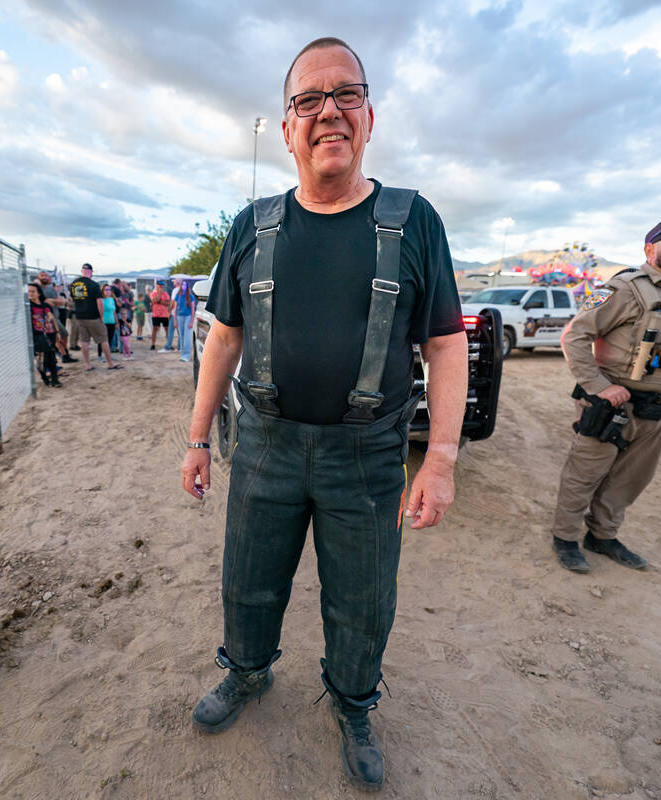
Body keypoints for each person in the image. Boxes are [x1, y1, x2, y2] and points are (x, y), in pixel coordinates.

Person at [180, 37, 468, 792]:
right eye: (308, 100)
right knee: (248, 579)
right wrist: (196, 437)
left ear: (369, 115)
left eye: (345, 95)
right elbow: (224, 340)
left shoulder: (413, 222)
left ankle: (354, 704)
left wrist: (439, 457)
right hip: (268, 446)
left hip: (367, 455)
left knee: (363, 599)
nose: (328, 112)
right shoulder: (253, 226)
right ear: (287, 129)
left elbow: (444, 344)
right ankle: (246, 673)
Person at [551, 216, 661, 573]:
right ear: (650, 249)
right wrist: (598, 387)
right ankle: (565, 538)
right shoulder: (624, 288)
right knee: (585, 473)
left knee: (631, 478)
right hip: (614, 406)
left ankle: (603, 536)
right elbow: (574, 337)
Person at [68, 263, 120, 371]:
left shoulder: (73, 284)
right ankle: (110, 363)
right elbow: (100, 302)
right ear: (91, 272)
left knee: (84, 341)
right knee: (103, 339)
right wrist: (101, 317)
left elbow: (72, 300)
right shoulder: (93, 285)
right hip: (93, 316)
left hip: (80, 316)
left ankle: (88, 364)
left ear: (82, 271)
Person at [27, 283, 61, 387]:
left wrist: (57, 332)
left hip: (50, 334)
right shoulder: (28, 306)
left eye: (33, 291)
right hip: (38, 335)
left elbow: (53, 319)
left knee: (52, 357)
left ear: (38, 293)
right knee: (41, 360)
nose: (30, 293)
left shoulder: (45, 305)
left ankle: (55, 380)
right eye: (29, 291)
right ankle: (45, 378)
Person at [173, 277, 195, 362]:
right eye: (182, 285)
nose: (184, 286)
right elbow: (175, 309)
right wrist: (175, 320)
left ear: (187, 286)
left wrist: (192, 321)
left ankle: (187, 355)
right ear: (181, 285)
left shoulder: (191, 296)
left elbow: (193, 309)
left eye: (185, 285)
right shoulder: (177, 296)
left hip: (188, 318)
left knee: (187, 337)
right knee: (181, 337)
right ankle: (182, 355)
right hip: (179, 317)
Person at [149, 281, 171, 351]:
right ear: (157, 285)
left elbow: (167, 303)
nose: (161, 287)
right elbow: (154, 301)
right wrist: (159, 294)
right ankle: (153, 344)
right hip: (156, 314)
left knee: (167, 329)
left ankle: (168, 344)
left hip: (164, 314)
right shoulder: (153, 293)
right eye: (160, 285)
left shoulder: (166, 294)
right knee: (155, 329)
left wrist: (160, 301)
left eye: (162, 285)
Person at [101, 284, 118, 357]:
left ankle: (108, 356)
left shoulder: (112, 300)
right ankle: (101, 355)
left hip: (112, 322)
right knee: (104, 340)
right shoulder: (101, 300)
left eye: (109, 290)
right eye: (106, 290)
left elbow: (114, 312)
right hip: (104, 322)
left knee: (110, 340)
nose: (108, 291)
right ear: (103, 291)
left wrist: (117, 322)